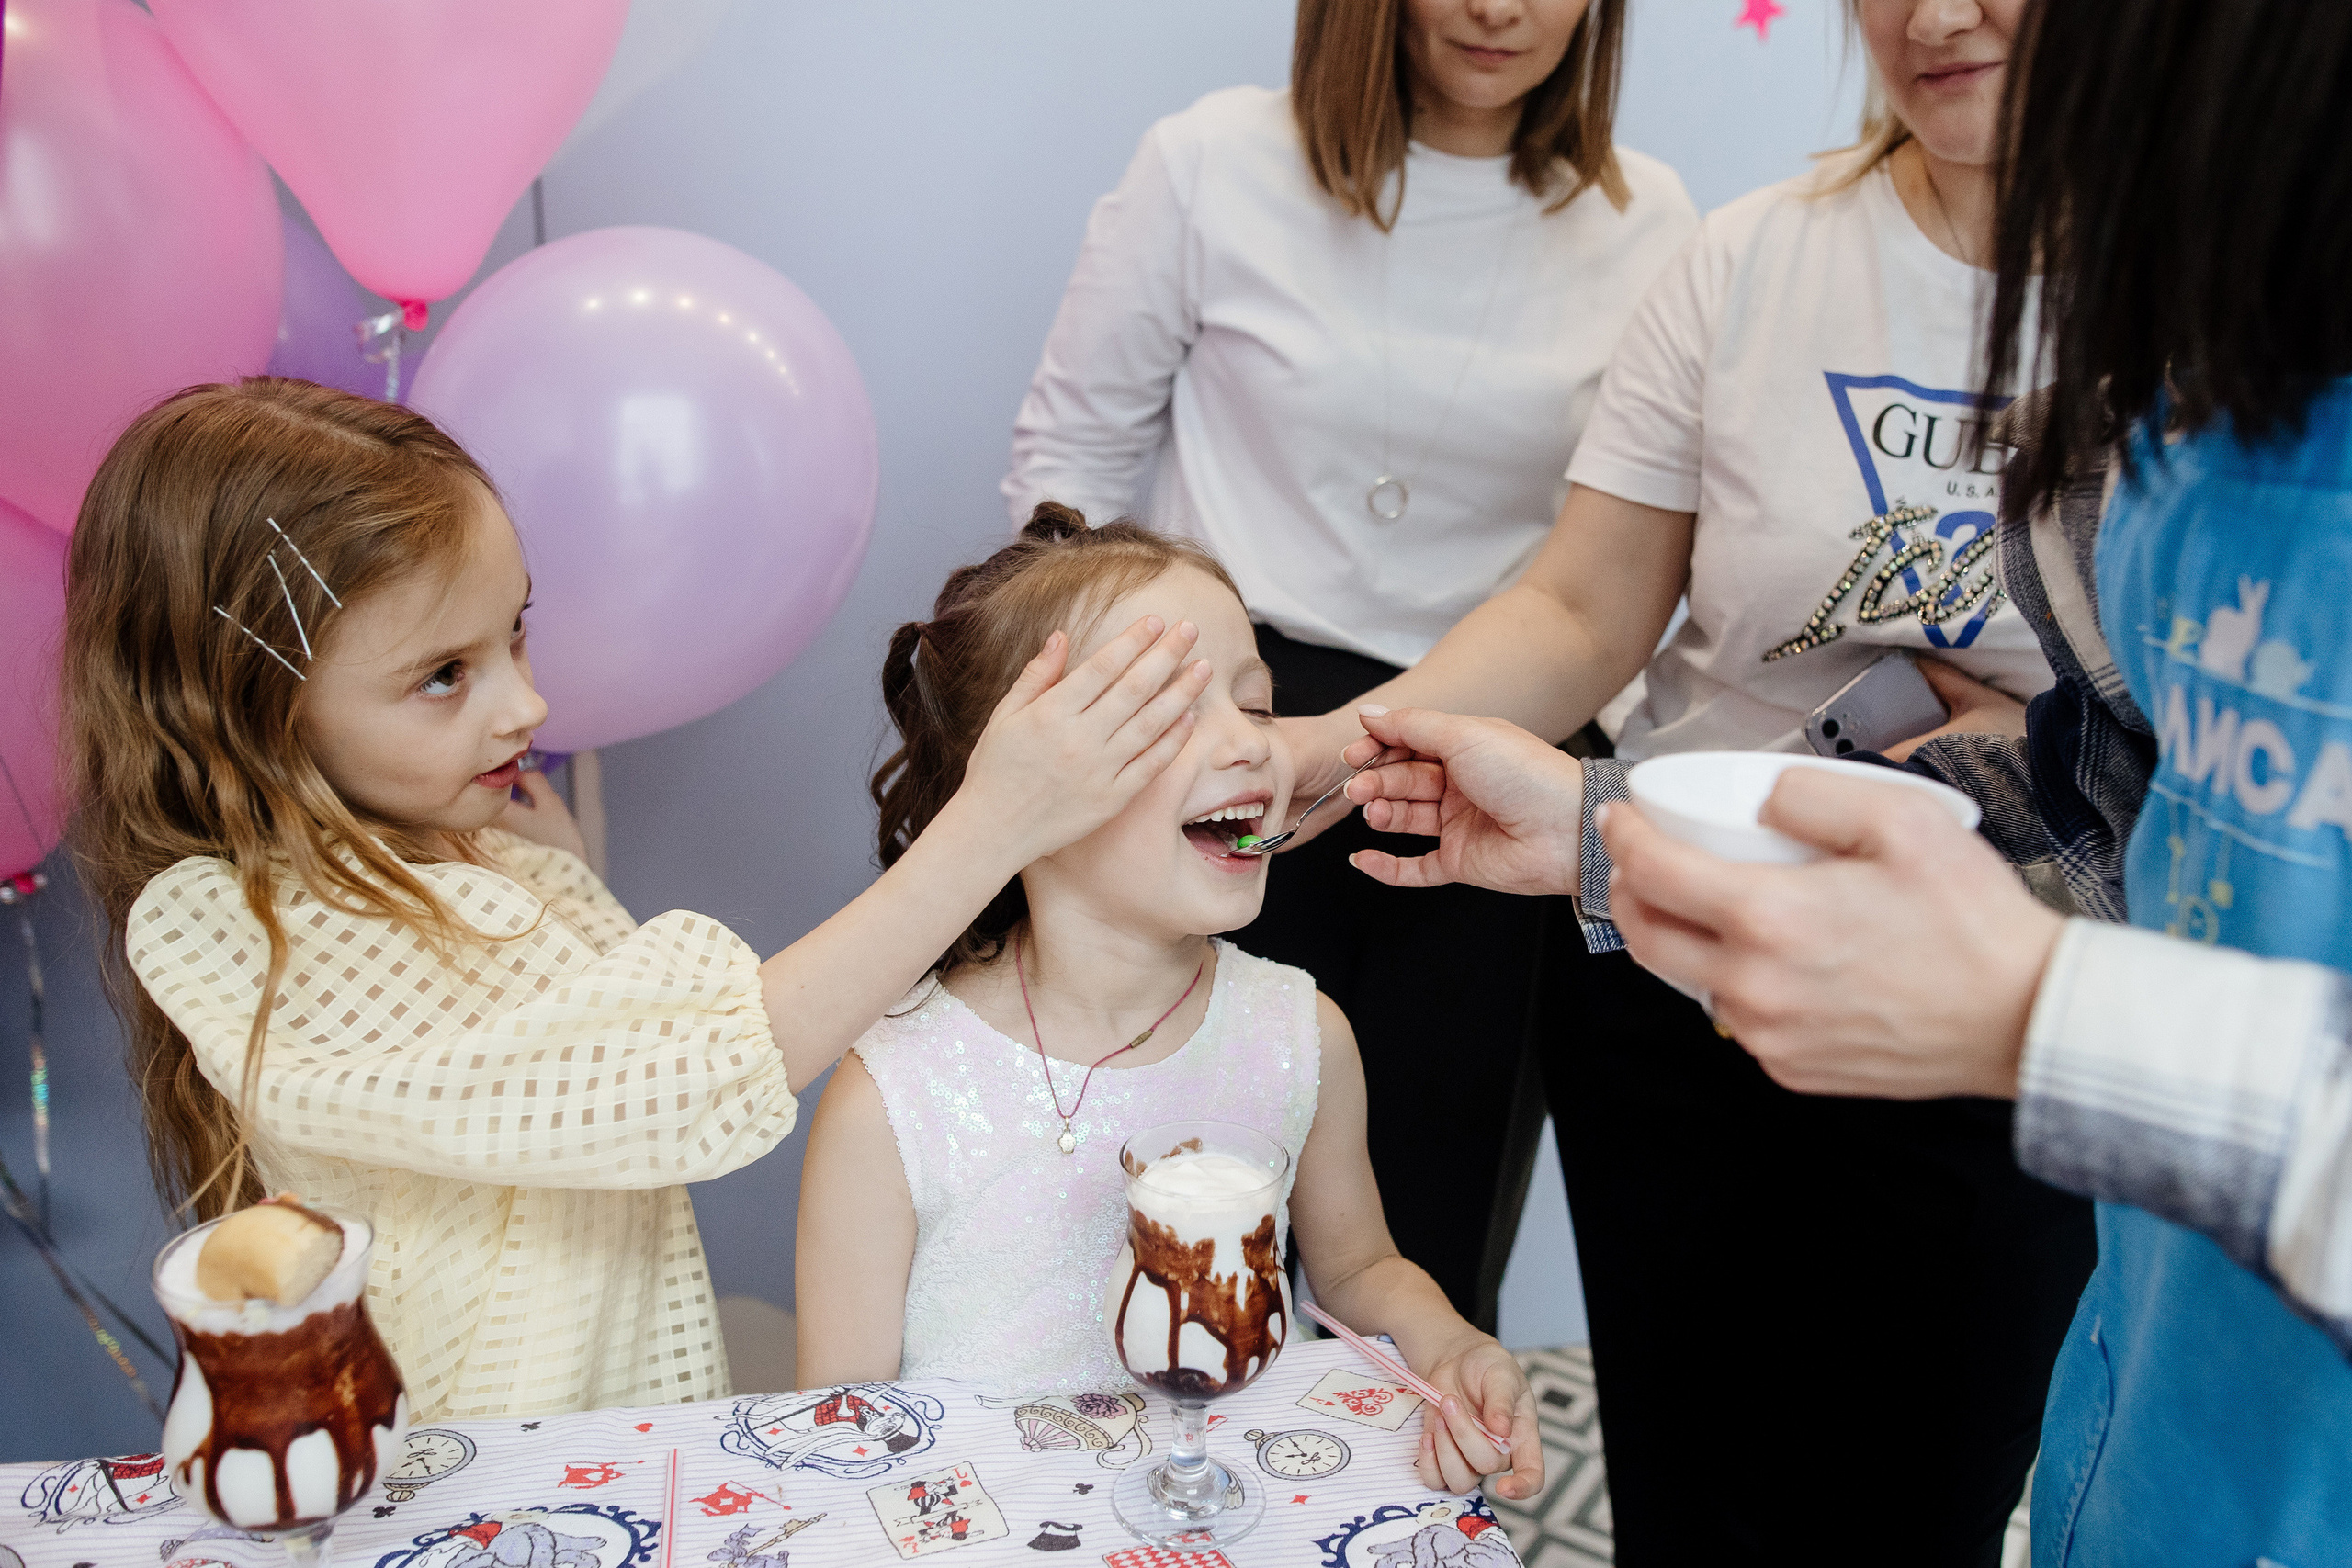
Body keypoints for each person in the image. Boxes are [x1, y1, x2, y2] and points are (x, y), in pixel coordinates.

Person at [1271, 3, 2098, 1560]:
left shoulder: (2214, 301)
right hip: (1676, 969)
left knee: (1914, 1502)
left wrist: (2018, 742)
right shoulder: (1750, 260)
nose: (1937, 19)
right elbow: (1584, 606)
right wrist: (1342, 741)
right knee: (1688, 1490)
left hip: (1996, 1013)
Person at [1571, 1, 2352, 1559]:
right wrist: (1593, 829)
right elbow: (2110, 808)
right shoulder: (2179, 450)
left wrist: (2039, 1015)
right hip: (2144, 1433)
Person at [62, 379, 1214, 1421]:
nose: (524, 706)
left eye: (514, 633)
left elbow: (568, 1057)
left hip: (610, 1435)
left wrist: (557, 876)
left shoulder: (475, 852)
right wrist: (989, 828)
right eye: (444, 676)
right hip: (463, 1480)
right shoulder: (236, 931)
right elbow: (680, 1076)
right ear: (252, 712)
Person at [1002, 0, 1696, 1327]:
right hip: (1221, 739)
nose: (1501, 10)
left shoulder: (1648, 222)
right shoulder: (1211, 162)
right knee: (1164, 1203)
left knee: (1428, 1226)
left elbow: (1611, 581)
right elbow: (1068, 470)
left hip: (1497, 756)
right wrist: (1100, 719)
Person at [793, 506, 1544, 1505]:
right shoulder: (891, 1092)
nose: (1253, 748)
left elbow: (1359, 1269)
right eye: (1171, 713)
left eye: (1258, 707)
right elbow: (840, 1429)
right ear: (1016, 785)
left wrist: (1448, 1343)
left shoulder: (1300, 1036)